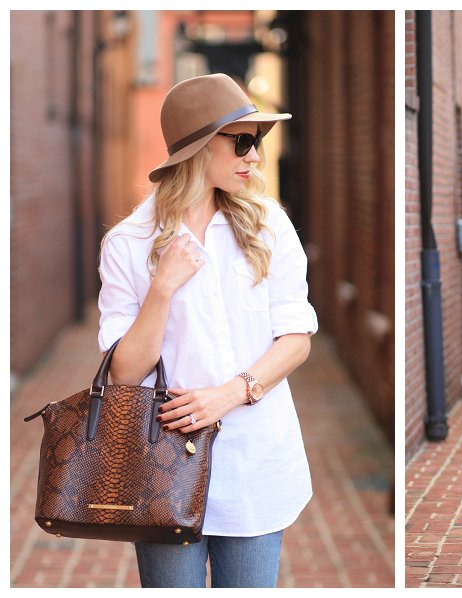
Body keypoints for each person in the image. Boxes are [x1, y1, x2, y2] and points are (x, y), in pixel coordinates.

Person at [97, 73, 318, 587]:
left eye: (257, 143)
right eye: (242, 141)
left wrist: (231, 394)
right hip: (161, 465)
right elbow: (125, 372)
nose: (255, 157)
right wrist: (162, 288)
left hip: (254, 462)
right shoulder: (130, 242)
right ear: (198, 148)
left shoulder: (268, 226)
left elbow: (296, 339)